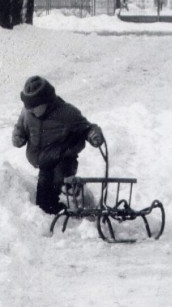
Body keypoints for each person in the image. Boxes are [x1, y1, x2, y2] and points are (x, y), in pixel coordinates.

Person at [12, 76, 105, 215]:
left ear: (46, 101)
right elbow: (21, 127)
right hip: (44, 162)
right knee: (44, 202)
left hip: (64, 159)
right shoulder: (28, 112)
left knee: (60, 181)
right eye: (27, 106)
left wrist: (93, 135)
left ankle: (81, 195)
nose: (30, 110)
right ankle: (58, 210)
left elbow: (87, 127)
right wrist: (18, 137)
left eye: (34, 107)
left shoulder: (66, 113)